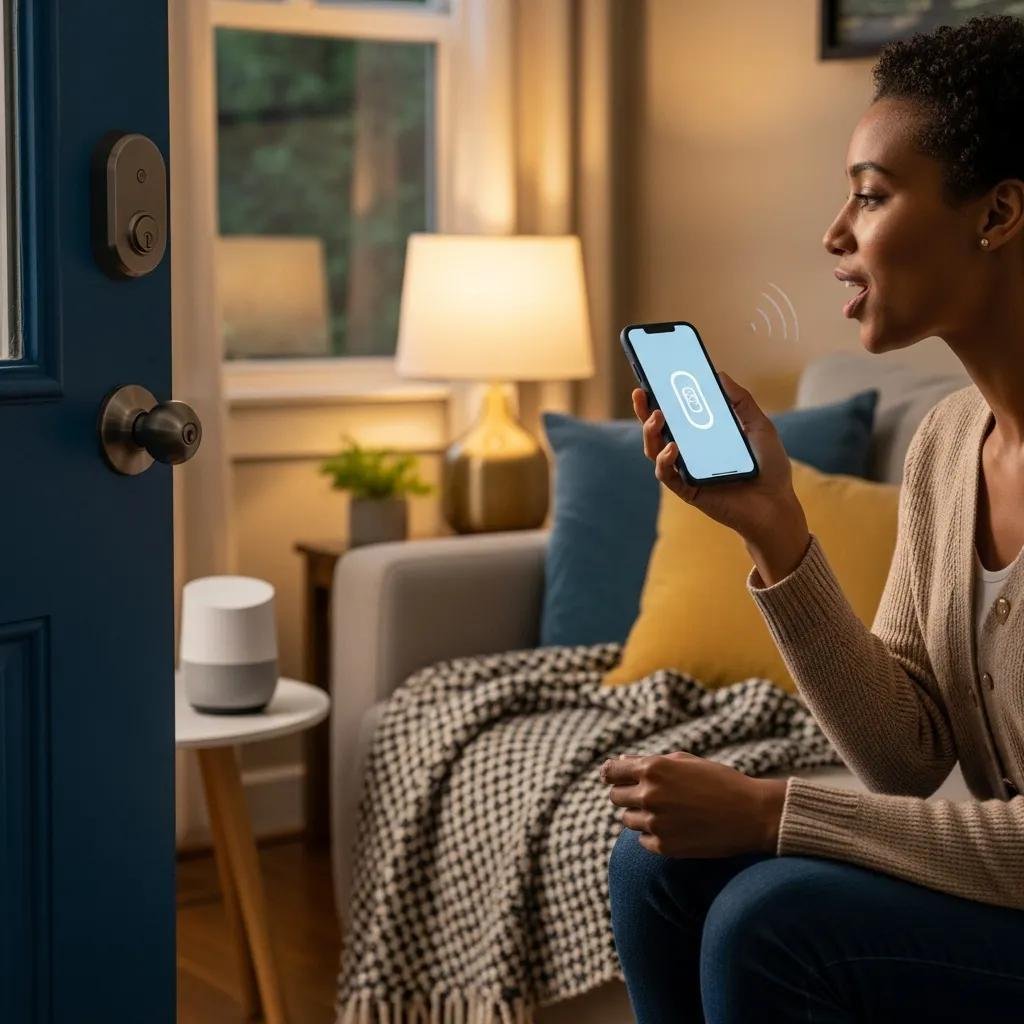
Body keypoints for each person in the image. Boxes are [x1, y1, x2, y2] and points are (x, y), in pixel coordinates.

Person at [602, 14, 1024, 1023]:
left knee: (771, 917)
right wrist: (773, 529)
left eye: (871, 197)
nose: (834, 234)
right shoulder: (944, 444)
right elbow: (907, 755)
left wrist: (769, 810)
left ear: (997, 212)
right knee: (653, 865)